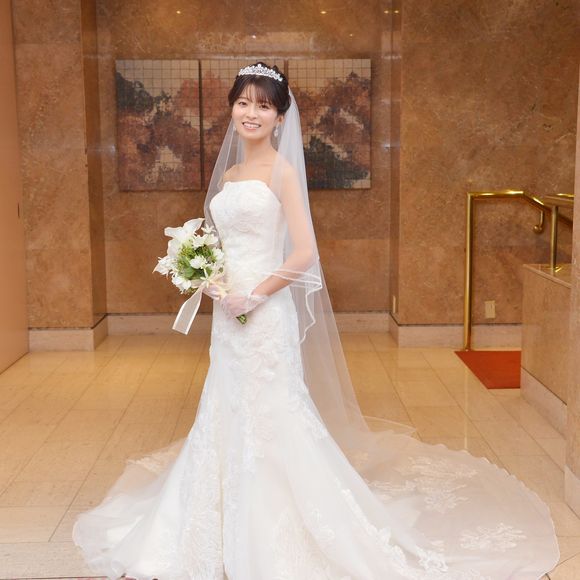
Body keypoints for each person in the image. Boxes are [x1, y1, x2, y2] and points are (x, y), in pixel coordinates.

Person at [72, 61, 559, 580]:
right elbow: (223, 244)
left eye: (264, 105)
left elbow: (304, 252)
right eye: (243, 102)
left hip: (264, 312)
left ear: (280, 117)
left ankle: (280, 531)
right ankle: (214, 521)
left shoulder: (283, 171)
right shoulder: (230, 175)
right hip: (228, 313)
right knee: (224, 405)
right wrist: (208, 275)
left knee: (273, 411)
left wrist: (254, 296)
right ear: (231, 108)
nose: (251, 113)